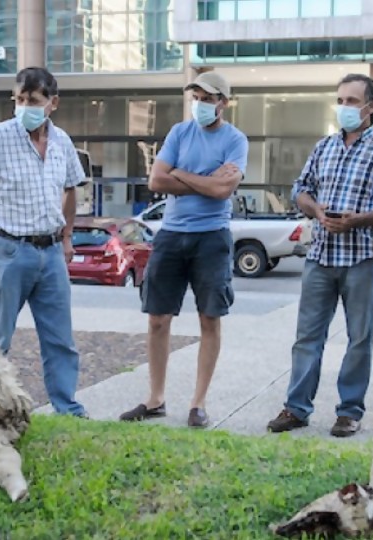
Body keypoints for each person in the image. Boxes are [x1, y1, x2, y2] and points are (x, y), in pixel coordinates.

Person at [265, 74, 373, 438]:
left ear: (371, 107)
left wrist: (358, 220)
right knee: (307, 337)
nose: (343, 107)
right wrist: (316, 211)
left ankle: (349, 411)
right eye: (340, 100)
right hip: (321, 256)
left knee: (359, 338)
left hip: (361, 257)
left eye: (352, 101)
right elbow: (301, 190)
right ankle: (296, 408)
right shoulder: (324, 146)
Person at [0, 67, 87, 416]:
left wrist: (68, 236)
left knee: (60, 340)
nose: (25, 105)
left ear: (52, 103)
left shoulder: (62, 142)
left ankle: (67, 407)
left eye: (34, 100)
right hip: (9, 250)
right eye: (20, 99)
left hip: (52, 251)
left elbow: (72, 187)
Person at [119, 71, 248, 428]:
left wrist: (182, 175)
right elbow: (156, 180)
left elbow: (223, 192)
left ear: (223, 102)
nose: (200, 104)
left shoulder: (236, 140)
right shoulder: (179, 132)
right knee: (158, 318)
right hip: (172, 235)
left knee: (210, 318)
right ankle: (156, 398)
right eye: (197, 97)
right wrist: (206, 180)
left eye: (208, 98)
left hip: (212, 236)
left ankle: (198, 403)